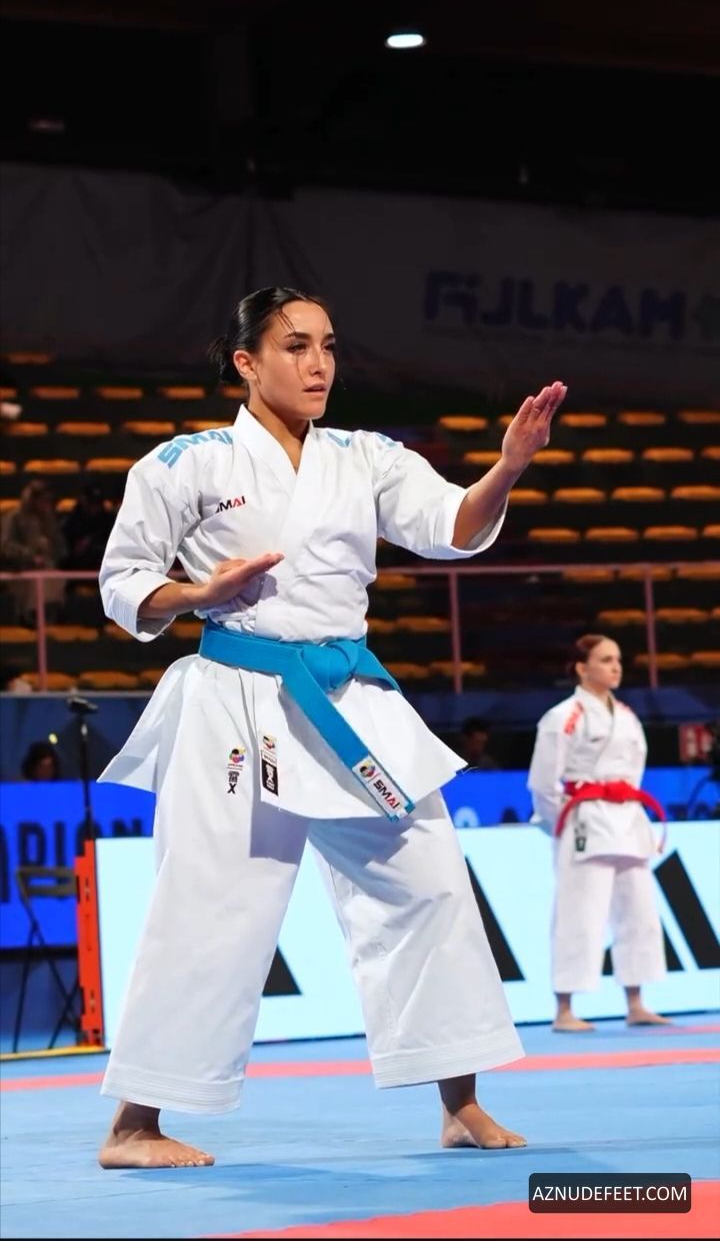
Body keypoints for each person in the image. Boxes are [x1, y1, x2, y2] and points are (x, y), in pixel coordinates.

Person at [95, 285, 567, 1169]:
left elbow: (451, 526)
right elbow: (122, 584)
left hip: (352, 699)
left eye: (329, 346)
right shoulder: (184, 463)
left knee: (430, 881)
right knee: (210, 903)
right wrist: (199, 591)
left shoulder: (365, 456)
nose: (319, 365)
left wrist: (506, 468)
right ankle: (134, 1124)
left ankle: (459, 1102)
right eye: (296, 346)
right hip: (240, 699)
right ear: (246, 362)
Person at [528, 633, 669, 1033]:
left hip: (627, 818)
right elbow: (542, 784)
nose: (615, 667)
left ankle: (636, 1002)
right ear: (581, 667)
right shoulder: (562, 716)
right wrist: (564, 820)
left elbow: (636, 769)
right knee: (579, 914)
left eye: (618, 659)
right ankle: (564, 1009)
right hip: (585, 819)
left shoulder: (626, 715)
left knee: (639, 913)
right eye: (606, 660)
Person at [0, 478, 66, 625]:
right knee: (36, 584)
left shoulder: (49, 520)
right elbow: (6, 546)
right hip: (19, 571)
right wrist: (30, 556)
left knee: (56, 578)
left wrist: (50, 548)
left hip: (46, 569)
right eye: (43, 500)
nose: (46, 504)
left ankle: (51, 619)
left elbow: (61, 548)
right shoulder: (13, 518)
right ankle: (30, 619)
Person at [62, 482, 115, 571]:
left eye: (97, 503)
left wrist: (93, 545)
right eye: (91, 503)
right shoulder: (72, 521)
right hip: (75, 569)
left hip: (103, 566)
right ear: (84, 501)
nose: (94, 507)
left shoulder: (109, 521)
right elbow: (65, 549)